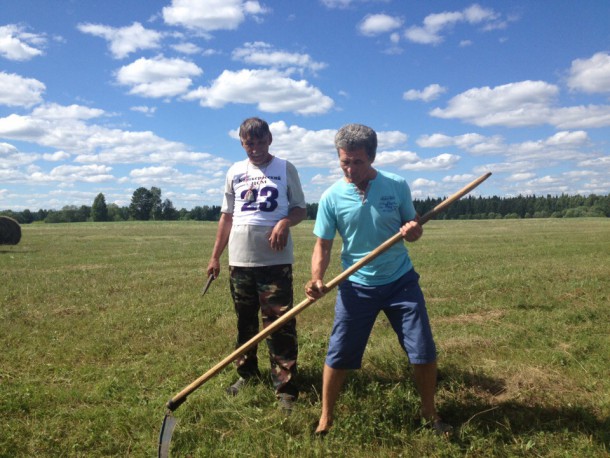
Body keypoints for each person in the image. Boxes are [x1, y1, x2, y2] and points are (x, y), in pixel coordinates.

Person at [305, 123, 451, 435]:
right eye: (344, 161)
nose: (350, 168)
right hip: (356, 285)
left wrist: (413, 229)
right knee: (339, 351)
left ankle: (429, 413)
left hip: (401, 281)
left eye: (357, 162)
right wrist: (316, 277)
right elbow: (323, 245)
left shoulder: (396, 185)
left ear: (372, 157)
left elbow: (412, 225)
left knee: (422, 347)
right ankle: (326, 418)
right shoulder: (331, 196)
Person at [207, 117, 307, 412]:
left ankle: (285, 387)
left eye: (260, 142)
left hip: (275, 261)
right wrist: (215, 256)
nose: (255, 149)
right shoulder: (235, 171)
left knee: (279, 322)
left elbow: (301, 208)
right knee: (245, 321)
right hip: (240, 260)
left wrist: (286, 222)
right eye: (249, 143)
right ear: (242, 143)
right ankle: (246, 374)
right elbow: (227, 216)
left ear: (270, 140)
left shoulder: (285, 168)